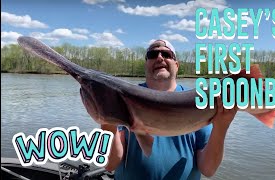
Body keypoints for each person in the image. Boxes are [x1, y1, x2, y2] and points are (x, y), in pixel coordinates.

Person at [101, 39, 238, 180]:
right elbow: (111, 164)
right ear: (146, 64)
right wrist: (107, 122)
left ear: (176, 65)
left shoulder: (199, 101)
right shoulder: (124, 99)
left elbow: (208, 169)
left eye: (166, 54)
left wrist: (221, 127)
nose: (159, 57)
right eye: (152, 54)